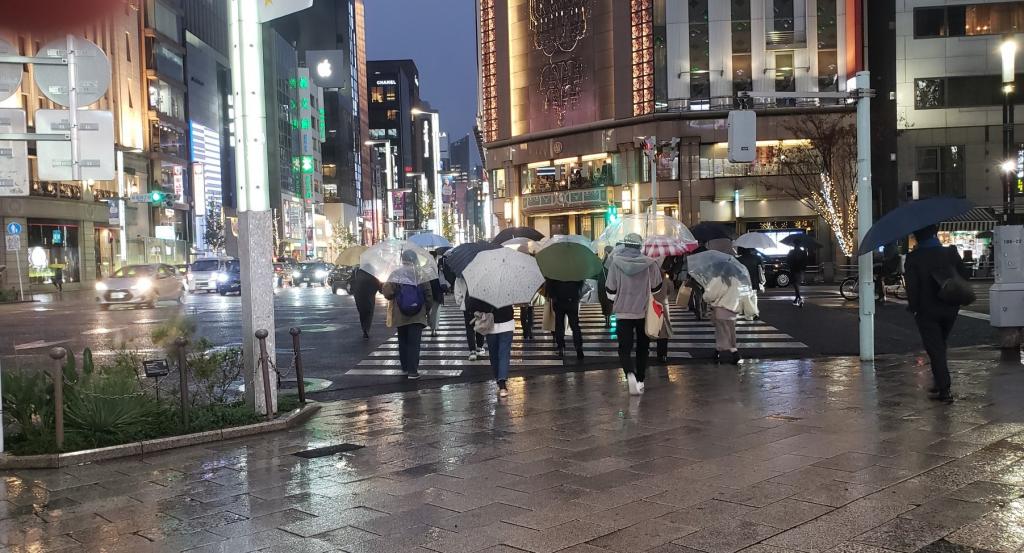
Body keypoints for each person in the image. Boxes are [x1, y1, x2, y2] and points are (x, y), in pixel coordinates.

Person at [905, 224, 969, 402]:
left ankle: (944, 389)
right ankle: (938, 381)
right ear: (934, 234)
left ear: (917, 237)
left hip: (927, 310)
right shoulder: (950, 253)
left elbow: (912, 287)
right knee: (940, 344)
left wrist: (914, 307)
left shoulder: (914, 257)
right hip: (950, 307)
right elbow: (965, 274)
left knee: (935, 348)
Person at [605, 233, 662, 395]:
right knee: (643, 347)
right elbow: (656, 288)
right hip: (643, 312)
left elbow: (610, 290)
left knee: (624, 348)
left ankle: (629, 373)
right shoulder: (650, 263)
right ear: (639, 246)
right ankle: (641, 379)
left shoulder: (616, 263)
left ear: (625, 245)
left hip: (623, 313)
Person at [381, 250, 433, 379]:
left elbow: (387, 293)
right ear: (415, 259)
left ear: (402, 260)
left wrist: (395, 293)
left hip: (400, 314)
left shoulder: (396, 274)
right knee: (414, 343)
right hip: (417, 314)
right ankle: (413, 371)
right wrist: (426, 310)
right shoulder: (420, 273)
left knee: (403, 341)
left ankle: (404, 368)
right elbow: (428, 294)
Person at [475, 300, 515, 397]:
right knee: (504, 354)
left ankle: (499, 380)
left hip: (490, 323)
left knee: (493, 354)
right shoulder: (509, 286)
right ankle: (502, 382)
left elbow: (475, 304)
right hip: (507, 321)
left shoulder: (484, 287)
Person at [545, 278, 585, 359]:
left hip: (558, 299)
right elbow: (581, 282)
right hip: (572, 298)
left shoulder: (555, 269)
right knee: (575, 325)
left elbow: (549, 282)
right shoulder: (575, 269)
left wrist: (551, 295)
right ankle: (578, 347)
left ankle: (561, 347)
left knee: (559, 325)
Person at [454, 276, 486, 360]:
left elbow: (457, 293)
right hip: (479, 304)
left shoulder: (459, 276)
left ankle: (472, 351)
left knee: (469, 327)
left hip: (467, 305)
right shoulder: (479, 273)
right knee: (480, 324)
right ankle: (479, 346)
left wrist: (462, 302)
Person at [349, 268, 380, 340]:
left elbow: (352, 281)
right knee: (369, 312)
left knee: (362, 312)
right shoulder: (372, 270)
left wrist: (353, 290)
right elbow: (376, 282)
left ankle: (364, 329)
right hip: (369, 294)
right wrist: (380, 289)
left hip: (359, 295)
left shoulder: (356, 270)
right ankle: (366, 329)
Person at [737, 247, 765, 315]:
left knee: (745, 296)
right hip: (754, 280)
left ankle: (747, 312)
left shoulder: (739, 259)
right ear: (751, 250)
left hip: (743, 280)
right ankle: (754, 313)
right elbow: (762, 268)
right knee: (754, 296)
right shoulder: (757, 258)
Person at [654, 270, 674, 364]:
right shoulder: (666, 280)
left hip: (652, 307)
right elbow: (671, 292)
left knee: (651, 329)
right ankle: (663, 355)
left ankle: (648, 352)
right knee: (663, 333)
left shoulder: (650, 279)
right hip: (663, 307)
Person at [597, 246, 615, 328]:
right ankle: (609, 318)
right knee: (609, 302)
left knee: (604, 302)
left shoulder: (601, 262)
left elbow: (598, 273)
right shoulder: (614, 261)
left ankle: (607, 319)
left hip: (602, 285)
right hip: (611, 284)